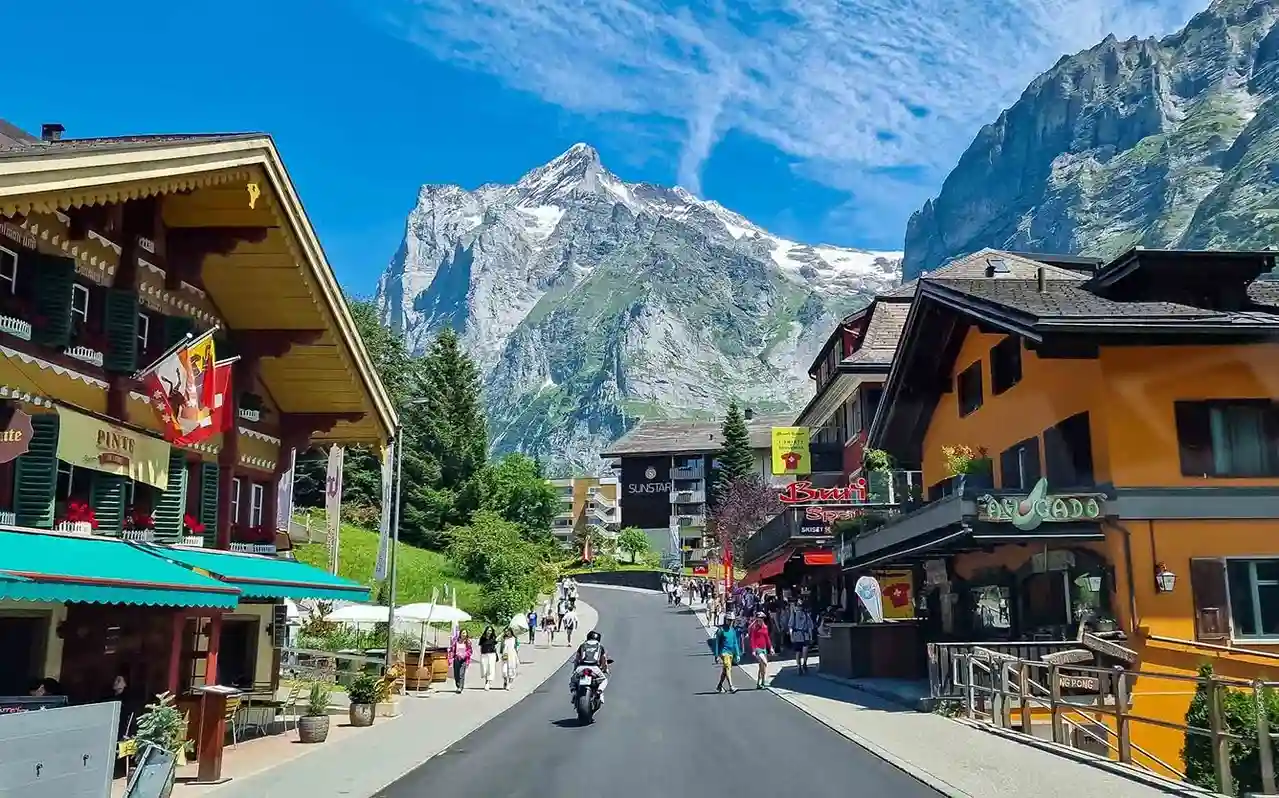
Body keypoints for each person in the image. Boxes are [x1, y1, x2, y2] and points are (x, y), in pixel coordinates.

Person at [569, 630, 609, 704]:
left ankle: (574, 692)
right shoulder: (600, 647)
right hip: (594, 668)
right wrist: (605, 669)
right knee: (604, 680)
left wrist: (575, 670)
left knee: (573, 681)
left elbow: (577, 659)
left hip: (581, 667)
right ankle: (599, 691)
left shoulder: (582, 645)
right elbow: (604, 660)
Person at [712, 618, 741, 694]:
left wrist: (737, 654)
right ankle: (731, 687)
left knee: (725, 670)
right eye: (729, 620)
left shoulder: (732, 630)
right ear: (726, 620)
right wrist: (717, 655)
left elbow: (735, 643)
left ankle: (719, 686)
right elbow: (717, 643)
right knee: (728, 667)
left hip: (731, 652)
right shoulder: (721, 630)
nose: (731, 622)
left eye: (732, 620)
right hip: (724, 652)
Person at [747, 612, 774, 689]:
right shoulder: (754, 628)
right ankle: (762, 682)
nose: (760, 620)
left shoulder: (765, 627)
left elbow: (767, 638)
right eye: (759, 619)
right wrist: (753, 650)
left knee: (762, 667)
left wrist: (771, 647)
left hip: (764, 648)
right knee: (765, 663)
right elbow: (752, 639)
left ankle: (760, 682)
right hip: (757, 648)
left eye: (761, 619)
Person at [789, 601, 815, 674]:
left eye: (800, 606)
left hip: (801, 635)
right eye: (799, 606)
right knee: (801, 651)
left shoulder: (804, 615)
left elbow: (809, 627)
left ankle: (802, 665)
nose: (799, 607)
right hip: (801, 635)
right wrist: (811, 636)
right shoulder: (798, 615)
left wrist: (791, 636)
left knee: (801, 652)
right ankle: (801, 665)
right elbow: (810, 627)